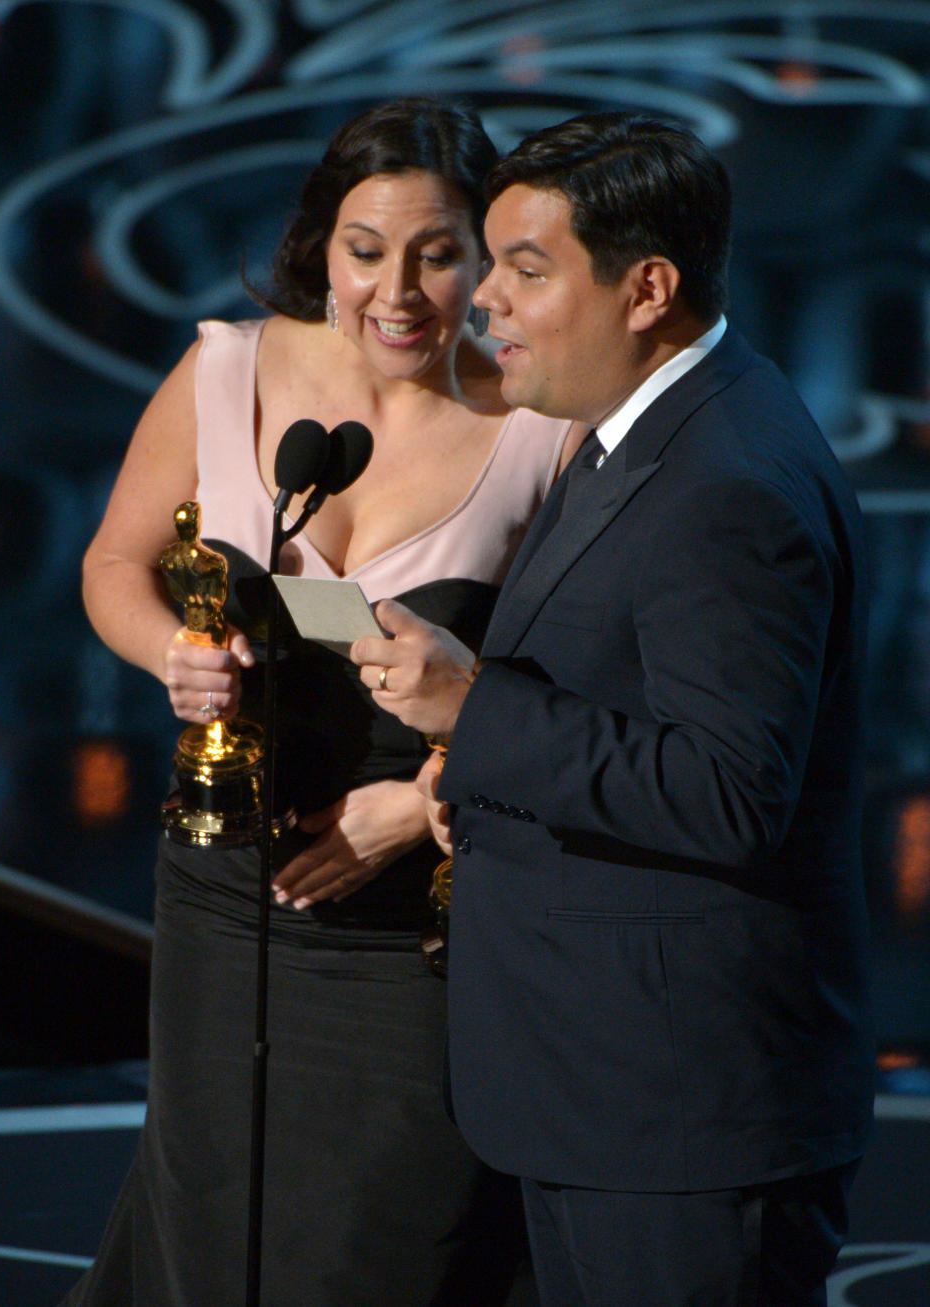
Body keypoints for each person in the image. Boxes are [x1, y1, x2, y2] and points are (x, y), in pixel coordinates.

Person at [352, 111, 875, 1307]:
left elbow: (730, 790)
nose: (484, 300)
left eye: (526, 271)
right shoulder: (641, 433)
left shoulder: (725, 483)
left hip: (682, 1120)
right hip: (603, 1097)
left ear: (647, 288)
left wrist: (472, 712)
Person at [67, 98, 583, 1306]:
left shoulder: (539, 431)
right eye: (367, 249)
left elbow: (586, 682)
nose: (396, 291)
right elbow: (111, 566)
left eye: (439, 252)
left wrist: (418, 802)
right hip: (220, 892)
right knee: (209, 1214)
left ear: (492, 258)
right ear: (323, 245)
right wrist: (165, 653)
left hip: (416, 916)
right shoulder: (226, 366)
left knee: (381, 1238)